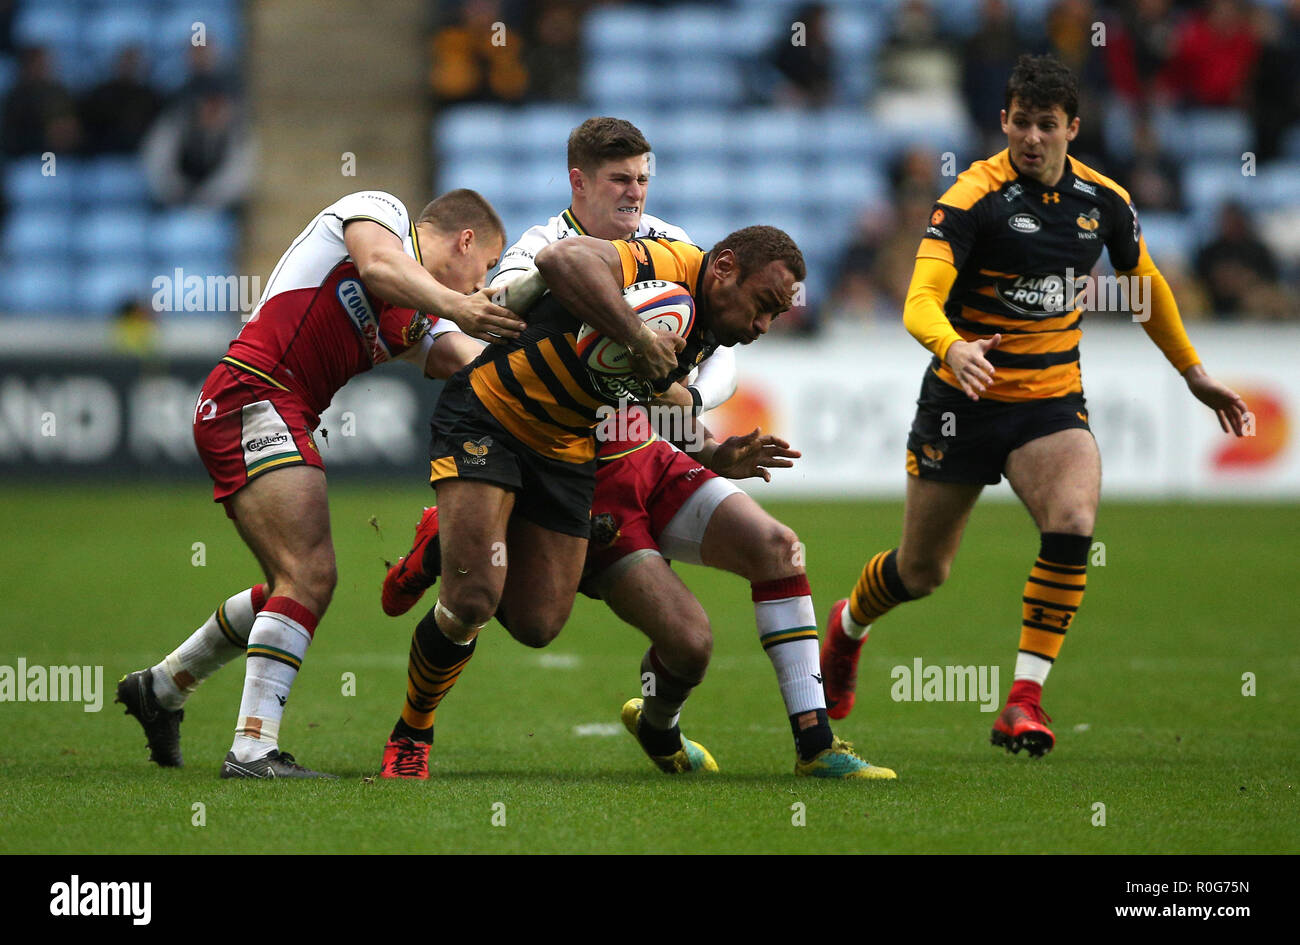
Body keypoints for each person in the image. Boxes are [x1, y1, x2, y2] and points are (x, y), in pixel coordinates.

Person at [380, 117, 892, 780]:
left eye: (644, 178)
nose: (635, 192)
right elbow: (546, 284)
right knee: (474, 598)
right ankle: (411, 730)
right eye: (621, 179)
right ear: (579, 182)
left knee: (544, 623)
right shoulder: (554, 245)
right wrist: (635, 343)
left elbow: (673, 386)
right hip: (499, 418)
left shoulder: (676, 251)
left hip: (596, 450)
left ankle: (462, 547)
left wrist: (707, 445)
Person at [819, 55, 1249, 758]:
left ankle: (1023, 700)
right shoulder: (971, 197)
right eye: (1020, 122)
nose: (1032, 137)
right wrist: (952, 346)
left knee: (1074, 519)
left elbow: (1145, 286)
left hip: (1048, 404)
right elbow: (920, 298)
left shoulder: (1104, 201)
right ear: (1004, 121)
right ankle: (849, 625)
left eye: (1047, 125)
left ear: (1072, 128)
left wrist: (1193, 374)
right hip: (962, 402)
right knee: (922, 571)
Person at [115, 189, 522, 778]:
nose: (473, 286)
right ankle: (252, 750)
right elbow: (381, 268)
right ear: (465, 241)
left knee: (289, 584)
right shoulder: (378, 211)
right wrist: (460, 308)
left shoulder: (421, 316)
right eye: (482, 268)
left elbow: (470, 361)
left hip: (275, 408)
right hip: (252, 393)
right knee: (310, 574)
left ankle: (162, 686)